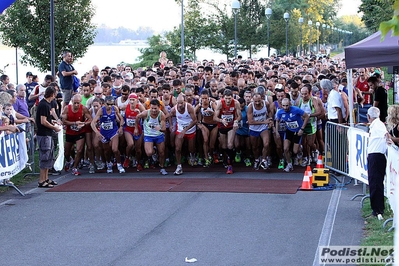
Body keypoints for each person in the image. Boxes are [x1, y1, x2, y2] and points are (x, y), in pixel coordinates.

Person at [91, 96, 125, 174]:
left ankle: (119, 165)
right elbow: (93, 123)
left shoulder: (115, 108)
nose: (110, 106)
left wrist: (121, 127)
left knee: (115, 149)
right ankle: (108, 163)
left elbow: (121, 119)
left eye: (111, 104)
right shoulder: (101, 110)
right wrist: (97, 132)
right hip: (104, 133)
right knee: (106, 151)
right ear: (104, 103)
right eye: (108, 104)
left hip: (113, 131)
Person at [62, 94, 94, 175]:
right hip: (70, 132)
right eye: (75, 103)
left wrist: (83, 124)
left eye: (78, 103)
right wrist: (75, 123)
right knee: (67, 152)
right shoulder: (67, 108)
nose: (76, 105)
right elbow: (64, 121)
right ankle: (69, 160)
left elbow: (90, 119)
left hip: (80, 132)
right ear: (72, 102)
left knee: (79, 150)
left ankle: (75, 167)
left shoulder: (83, 109)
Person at [35, 86, 61, 188]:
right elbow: (43, 121)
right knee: (44, 157)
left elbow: (47, 119)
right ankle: (41, 180)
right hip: (44, 134)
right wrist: (54, 127)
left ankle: (46, 178)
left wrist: (53, 122)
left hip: (48, 134)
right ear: (53, 94)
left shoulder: (47, 104)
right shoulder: (44, 105)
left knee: (49, 156)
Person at [134, 99, 168, 175]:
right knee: (149, 153)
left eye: (155, 108)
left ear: (159, 107)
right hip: (149, 135)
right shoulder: (146, 113)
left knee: (162, 153)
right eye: (152, 108)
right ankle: (154, 151)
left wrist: (161, 128)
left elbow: (164, 128)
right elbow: (137, 117)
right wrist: (136, 128)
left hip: (159, 135)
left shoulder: (161, 115)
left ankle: (162, 167)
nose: (153, 110)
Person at [276, 98, 309, 172]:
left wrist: (302, 129)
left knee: (295, 151)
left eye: (287, 106)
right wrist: (276, 131)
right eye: (283, 106)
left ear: (290, 104)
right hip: (289, 130)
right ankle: (289, 164)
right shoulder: (280, 112)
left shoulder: (296, 109)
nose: (285, 108)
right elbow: (277, 120)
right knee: (285, 149)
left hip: (298, 131)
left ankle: (300, 149)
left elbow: (307, 116)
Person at [367, 107, 389, 220]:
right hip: (375, 155)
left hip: (376, 156)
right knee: (374, 182)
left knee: (375, 183)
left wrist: (389, 139)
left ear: (369, 117)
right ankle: (377, 208)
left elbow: (385, 134)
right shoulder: (377, 124)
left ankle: (377, 210)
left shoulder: (378, 125)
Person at [214, 89, 241, 174]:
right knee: (224, 146)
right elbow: (215, 118)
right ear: (223, 98)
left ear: (232, 97)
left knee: (230, 144)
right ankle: (227, 158)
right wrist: (221, 120)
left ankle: (230, 165)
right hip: (222, 126)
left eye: (229, 98)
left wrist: (236, 121)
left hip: (231, 126)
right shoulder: (220, 104)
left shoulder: (236, 103)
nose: (228, 100)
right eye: (226, 98)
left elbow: (239, 116)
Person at [170, 94, 197, 175]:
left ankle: (192, 155)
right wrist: (171, 124)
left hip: (190, 129)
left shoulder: (189, 107)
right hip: (180, 129)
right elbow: (169, 116)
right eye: (178, 103)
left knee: (191, 148)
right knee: (177, 148)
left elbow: (195, 120)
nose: (180, 105)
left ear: (184, 101)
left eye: (181, 103)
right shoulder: (174, 109)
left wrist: (185, 130)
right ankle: (179, 166)